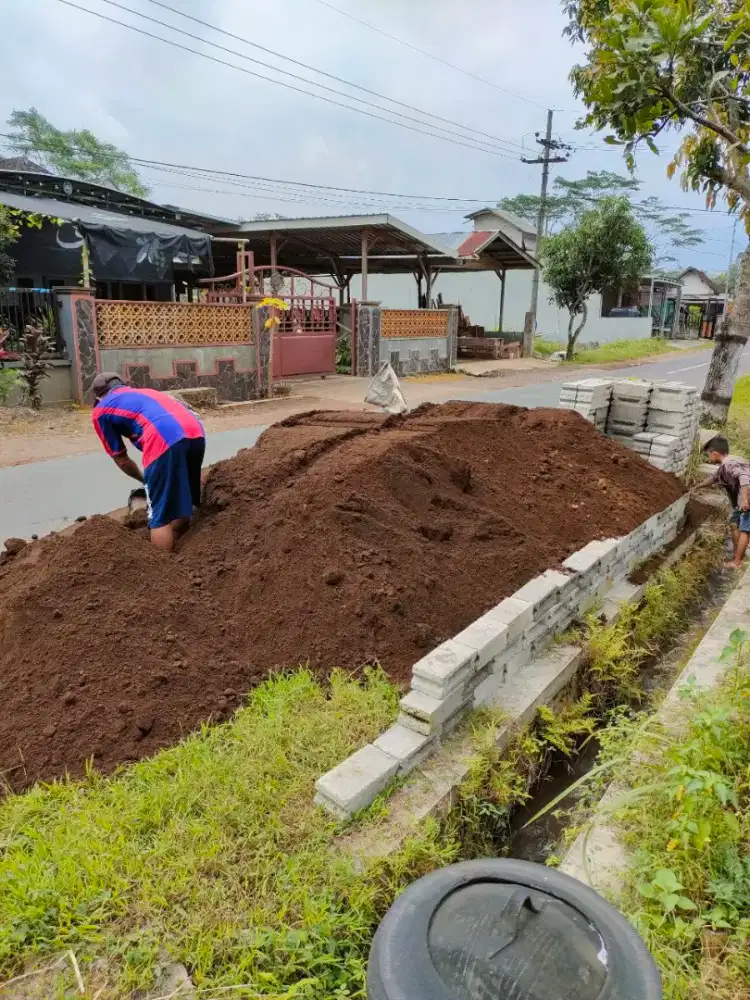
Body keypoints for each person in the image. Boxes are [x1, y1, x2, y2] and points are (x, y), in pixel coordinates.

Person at [91, 372, 205, 552]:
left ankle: (160, 566)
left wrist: (144, 480)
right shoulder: (145, 392)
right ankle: (181, 546)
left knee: (159, 516)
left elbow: (121, 459)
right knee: (181, 494)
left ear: (99, 396)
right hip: (195, 431)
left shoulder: (101, 410)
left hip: (163, 437)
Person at [702, 435, 750, 569]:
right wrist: (697, 487)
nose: (708, 458)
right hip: (742, 498)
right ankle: (737, 554)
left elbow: (744, 477)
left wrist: (744, 499)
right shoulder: (730, 462)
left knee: (745, 529)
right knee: (734, 524)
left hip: (746, 498)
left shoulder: (728, 464)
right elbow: (714, 478)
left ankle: (737, 562)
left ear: (714, 453)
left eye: (708, 455)